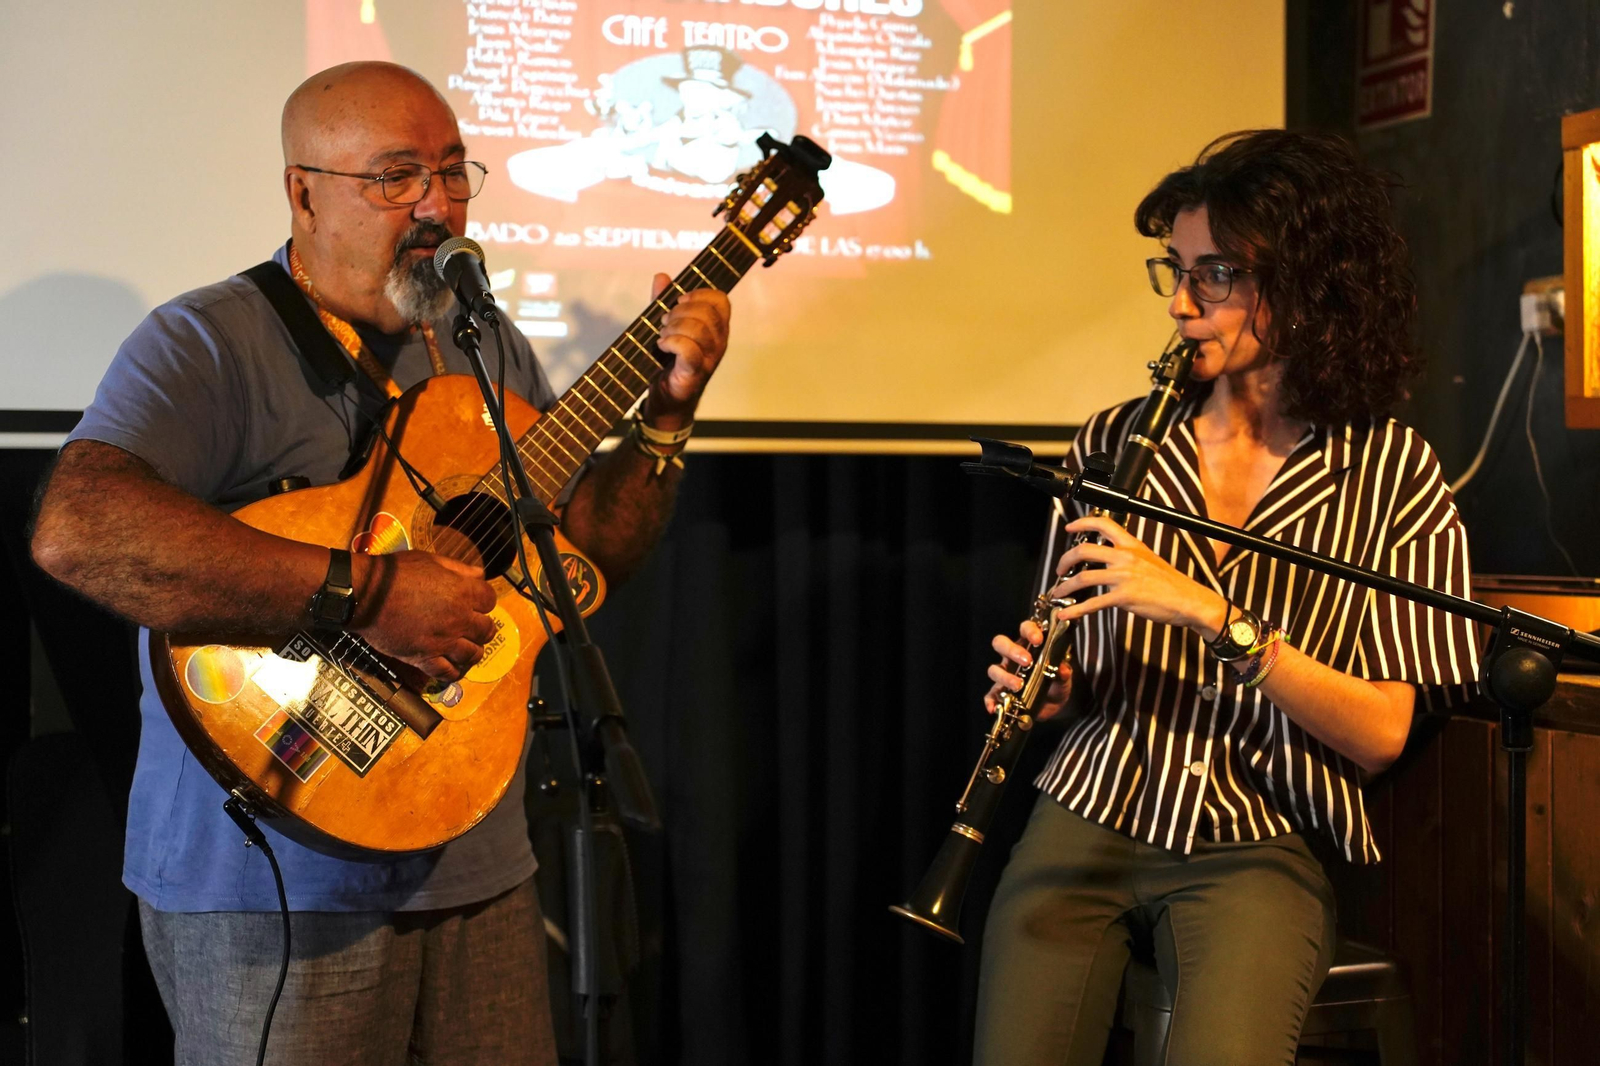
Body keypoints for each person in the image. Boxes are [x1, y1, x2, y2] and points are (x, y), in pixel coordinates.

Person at [29, 61, 731, 1065]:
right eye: (396, 176)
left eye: (452, 172)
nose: (437, 205)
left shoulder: (478, 351)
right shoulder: (208, 342)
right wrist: (367, 596)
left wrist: (667, 413)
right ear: (302, 191)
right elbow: (79, 528)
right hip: (270, 878)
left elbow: (586, 559)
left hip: (476, 858)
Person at [972, 129, 1478, 1065]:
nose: (1180, 304)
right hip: (1089, 806)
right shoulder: (1116, 442)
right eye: (1175, 271)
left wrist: (1215, 616)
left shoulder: (1393, 471)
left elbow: (1381, 734)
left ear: (1309, 280)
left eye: (1214, 276)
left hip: (1258, 838)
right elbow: (1079, 663)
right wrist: (1052, 691)